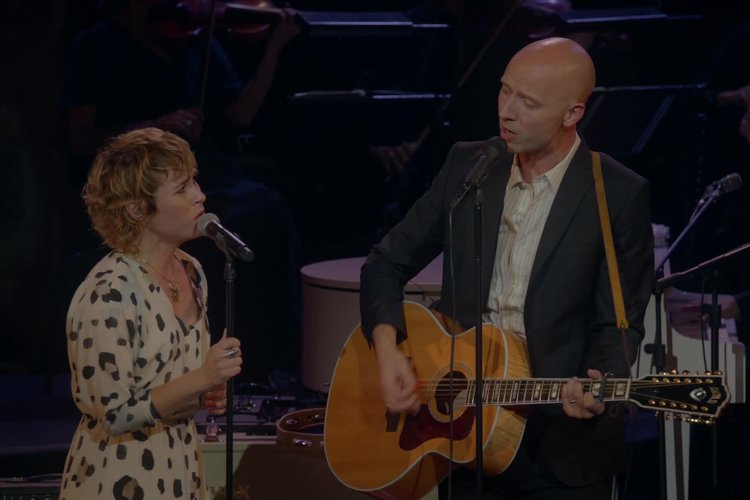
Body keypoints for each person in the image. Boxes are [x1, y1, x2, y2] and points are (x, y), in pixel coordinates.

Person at [359, 37, 654, 498]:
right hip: (461, 434)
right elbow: (384, 262)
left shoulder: (616, 193)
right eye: (504, 90)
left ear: (572, 114)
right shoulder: (470, 165)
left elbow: (619, 324)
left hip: (560, 451)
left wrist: (599, 382)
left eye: (528, 102)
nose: (506, 112)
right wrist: (387, 348)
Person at [61, 0, 302, 383]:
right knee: (223, 221)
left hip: (201, 168)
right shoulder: (96, 46)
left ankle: (265, 363)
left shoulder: (195, 39)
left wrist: (275, 47)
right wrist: (155, 125)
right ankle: (192, 368)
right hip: (136, 179)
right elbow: (79, 139)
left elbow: (240, 114)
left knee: (268, 208)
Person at [60, 128, 242, 498]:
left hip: (180, 467)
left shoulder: (191, 270)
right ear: (137, 209)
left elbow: (168, 384)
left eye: (194, 181)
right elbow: (115, 415)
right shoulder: (108, 294)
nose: (200, 195)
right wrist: (202, 377)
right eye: (182, 188)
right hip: (122, 477)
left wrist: (206, 391)